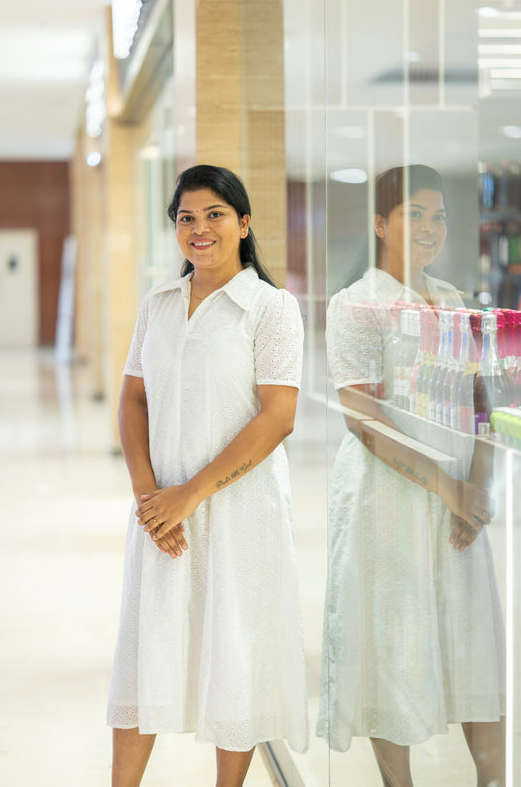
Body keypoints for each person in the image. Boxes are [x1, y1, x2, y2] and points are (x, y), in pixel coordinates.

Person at [107, 164, 309, 787]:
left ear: (244, 224)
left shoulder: (270, 309)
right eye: (186, 218)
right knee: (144, 652)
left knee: (233, 659)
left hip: (240, 516)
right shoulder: (159, 304)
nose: (200, 229)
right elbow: (133, 400)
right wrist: (151, 499)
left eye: (215, 215)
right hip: (164, 514)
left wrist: (191, 494)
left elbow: (278, 418)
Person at [317, 165, 505, 787]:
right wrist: (449, 486)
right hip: (387, 495)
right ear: (380, 223)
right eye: (414, 215)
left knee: (474, 642)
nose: (430, 227)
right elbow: (363, 419)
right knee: (392, 641)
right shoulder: (357, 305)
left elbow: (484, 400)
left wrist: (478, 486)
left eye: (439, 216)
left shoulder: (454, 303)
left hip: (457, 497)